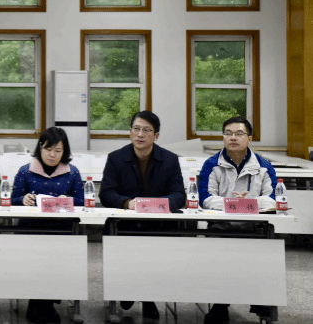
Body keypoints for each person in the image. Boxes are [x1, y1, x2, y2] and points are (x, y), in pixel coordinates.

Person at [98, 110, 185, 320]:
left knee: (153, 256)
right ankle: (128, 291)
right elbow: (106, 193)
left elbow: (179, 195)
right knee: (126, 250)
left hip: (157, 224)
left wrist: (158, 205)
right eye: (136, 129)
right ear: (130, 132)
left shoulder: (170, 159)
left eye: (146, 130)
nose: (140, 134)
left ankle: (148, 299)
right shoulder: (116, 158)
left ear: (156, 135)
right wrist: (127, 203)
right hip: (125, 224)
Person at [198, 116, 277, 324]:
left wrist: (247, 204)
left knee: (263, 253)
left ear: (249, 138)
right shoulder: (211, 164)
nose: (233, 138)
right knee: (222, 259)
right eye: (228, 133)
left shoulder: (264, 165)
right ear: (223, 137)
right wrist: (231, 204)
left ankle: (259, 298)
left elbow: (273, 200)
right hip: (220, 226)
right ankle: (220, 305)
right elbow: (204, 198)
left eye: (239, 133)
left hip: (254, 227)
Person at [11, 127, 83, 324]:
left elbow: (83, 201)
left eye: (58, 151)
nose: (52, 155)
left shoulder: (72, 172)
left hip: (62, 230)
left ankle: (41, 305)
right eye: (48, 149)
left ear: (64, 151)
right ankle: (42, 305)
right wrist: (23, 199)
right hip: (31, 229)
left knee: (55, 262)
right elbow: (12, 200)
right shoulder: (25, 170)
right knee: (38, 262)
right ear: (40, 147)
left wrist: (68, 200)